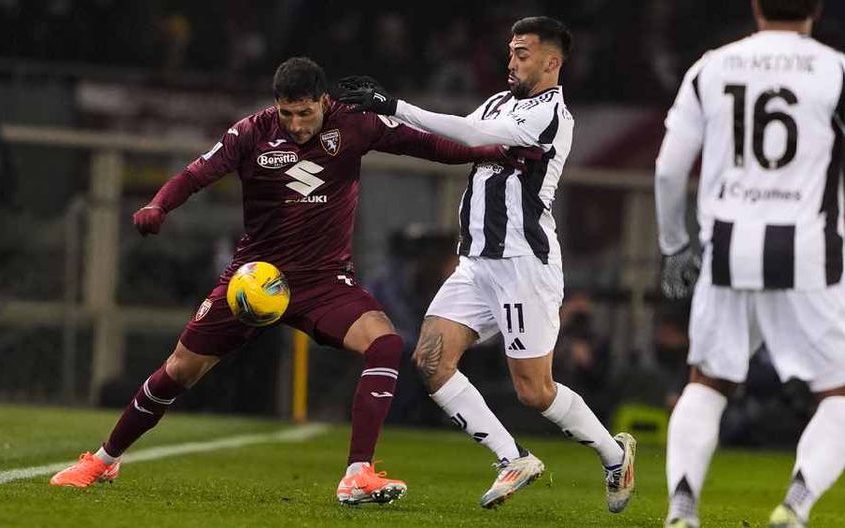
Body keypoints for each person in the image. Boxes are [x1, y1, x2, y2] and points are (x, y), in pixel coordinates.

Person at [49, 57, 529, 505]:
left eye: (304, 113)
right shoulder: (250, 132)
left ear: (323, 100)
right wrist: (159, 205)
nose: (296, 125)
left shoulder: (355, 123)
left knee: (385, 344)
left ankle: (358, 473)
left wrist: (490, 152)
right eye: (286, 114)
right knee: (179, 370)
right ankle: (103, 460)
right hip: (254, 280)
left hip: (324, 281)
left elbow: (426, 145)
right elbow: (195, 174)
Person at [337, 16, 636, 512]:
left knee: (534, 391)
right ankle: (512, 458)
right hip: (477, 263)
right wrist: (379, 122)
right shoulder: (499, 101)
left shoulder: (553, 116)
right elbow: (454, 139)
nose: (511, 61)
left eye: (522, 53)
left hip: (523, 264)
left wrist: (396, 105)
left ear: (551, 62)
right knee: (430, 360)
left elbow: (472, 133)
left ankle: (614, 455)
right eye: (510, 51)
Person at [655, 1, 845, 526]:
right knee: (837, 391)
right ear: (817, 9)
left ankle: (682, 504)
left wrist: (674, 246)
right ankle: (797, 503)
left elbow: (669, 170)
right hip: (811, 250)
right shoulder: (836, 70)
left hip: (728, 248)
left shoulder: (711, 67)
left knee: (707, 382)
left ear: (757, 5)